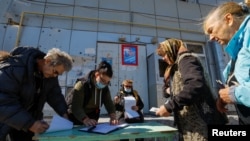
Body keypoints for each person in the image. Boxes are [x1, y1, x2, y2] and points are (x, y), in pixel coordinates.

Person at [155, 38, 228, 141]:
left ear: (172, 49)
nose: (163, 58)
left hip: (203, 121)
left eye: (164, 54)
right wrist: (169, 90)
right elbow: (168, 90)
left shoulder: (186, 59)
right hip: (192, 124)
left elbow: (195, 84)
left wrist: (169, 106)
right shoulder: (175, 65)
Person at [0, 47, 73, 141]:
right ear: (47, 61)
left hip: (26, 122)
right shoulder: (14, 68)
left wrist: (64, 113)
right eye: (55, 72)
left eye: (58, 74)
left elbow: (55, 95)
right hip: (6, 120)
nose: (55, 76)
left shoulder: (49, 75)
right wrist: (30, 124)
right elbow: (3, 102)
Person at [202, 1, 250, 125]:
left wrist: (234, 94)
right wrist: (223, 97)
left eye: (211, 30)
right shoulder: (237, 52)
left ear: (228, 19)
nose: (211, 38)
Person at [66, 61, 118, 126]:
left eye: (107, 82)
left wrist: (113, 117)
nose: (105, 84)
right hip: (77, 117)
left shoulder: (104, 87)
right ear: (97, 74)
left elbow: (109, 103)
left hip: (92, 117)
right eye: (103, 80)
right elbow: (76, 107)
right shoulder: (81, 85)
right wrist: (85, 119)